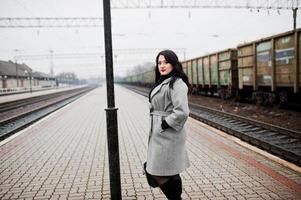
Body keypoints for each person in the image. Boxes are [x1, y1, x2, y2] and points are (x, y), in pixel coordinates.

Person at [144, 49, 190, 200]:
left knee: (155, 171)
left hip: (167, 133)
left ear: (174, 64)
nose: (162, 66)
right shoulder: (164, 81)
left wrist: (164, 124)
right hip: (159, 133)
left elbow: (182, 111)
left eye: (166, 62)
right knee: (167, 171)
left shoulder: (177, 83)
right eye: (159, 63)